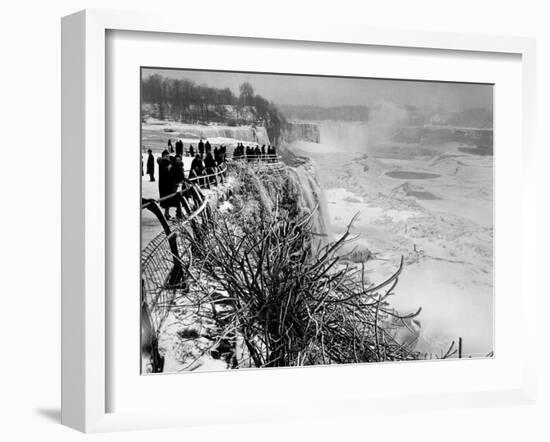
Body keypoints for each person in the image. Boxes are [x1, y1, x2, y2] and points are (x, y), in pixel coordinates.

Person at [156, 150, 173, 219]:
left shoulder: (165, 162)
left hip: (166, 183)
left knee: (167, 199)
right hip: (164, 183)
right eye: (166, 156)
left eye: (168, 156)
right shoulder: (163, 163)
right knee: (166, 199)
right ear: (163, 156)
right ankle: (166, 214)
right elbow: (167, 172)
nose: (167, 157)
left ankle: (167, 213)